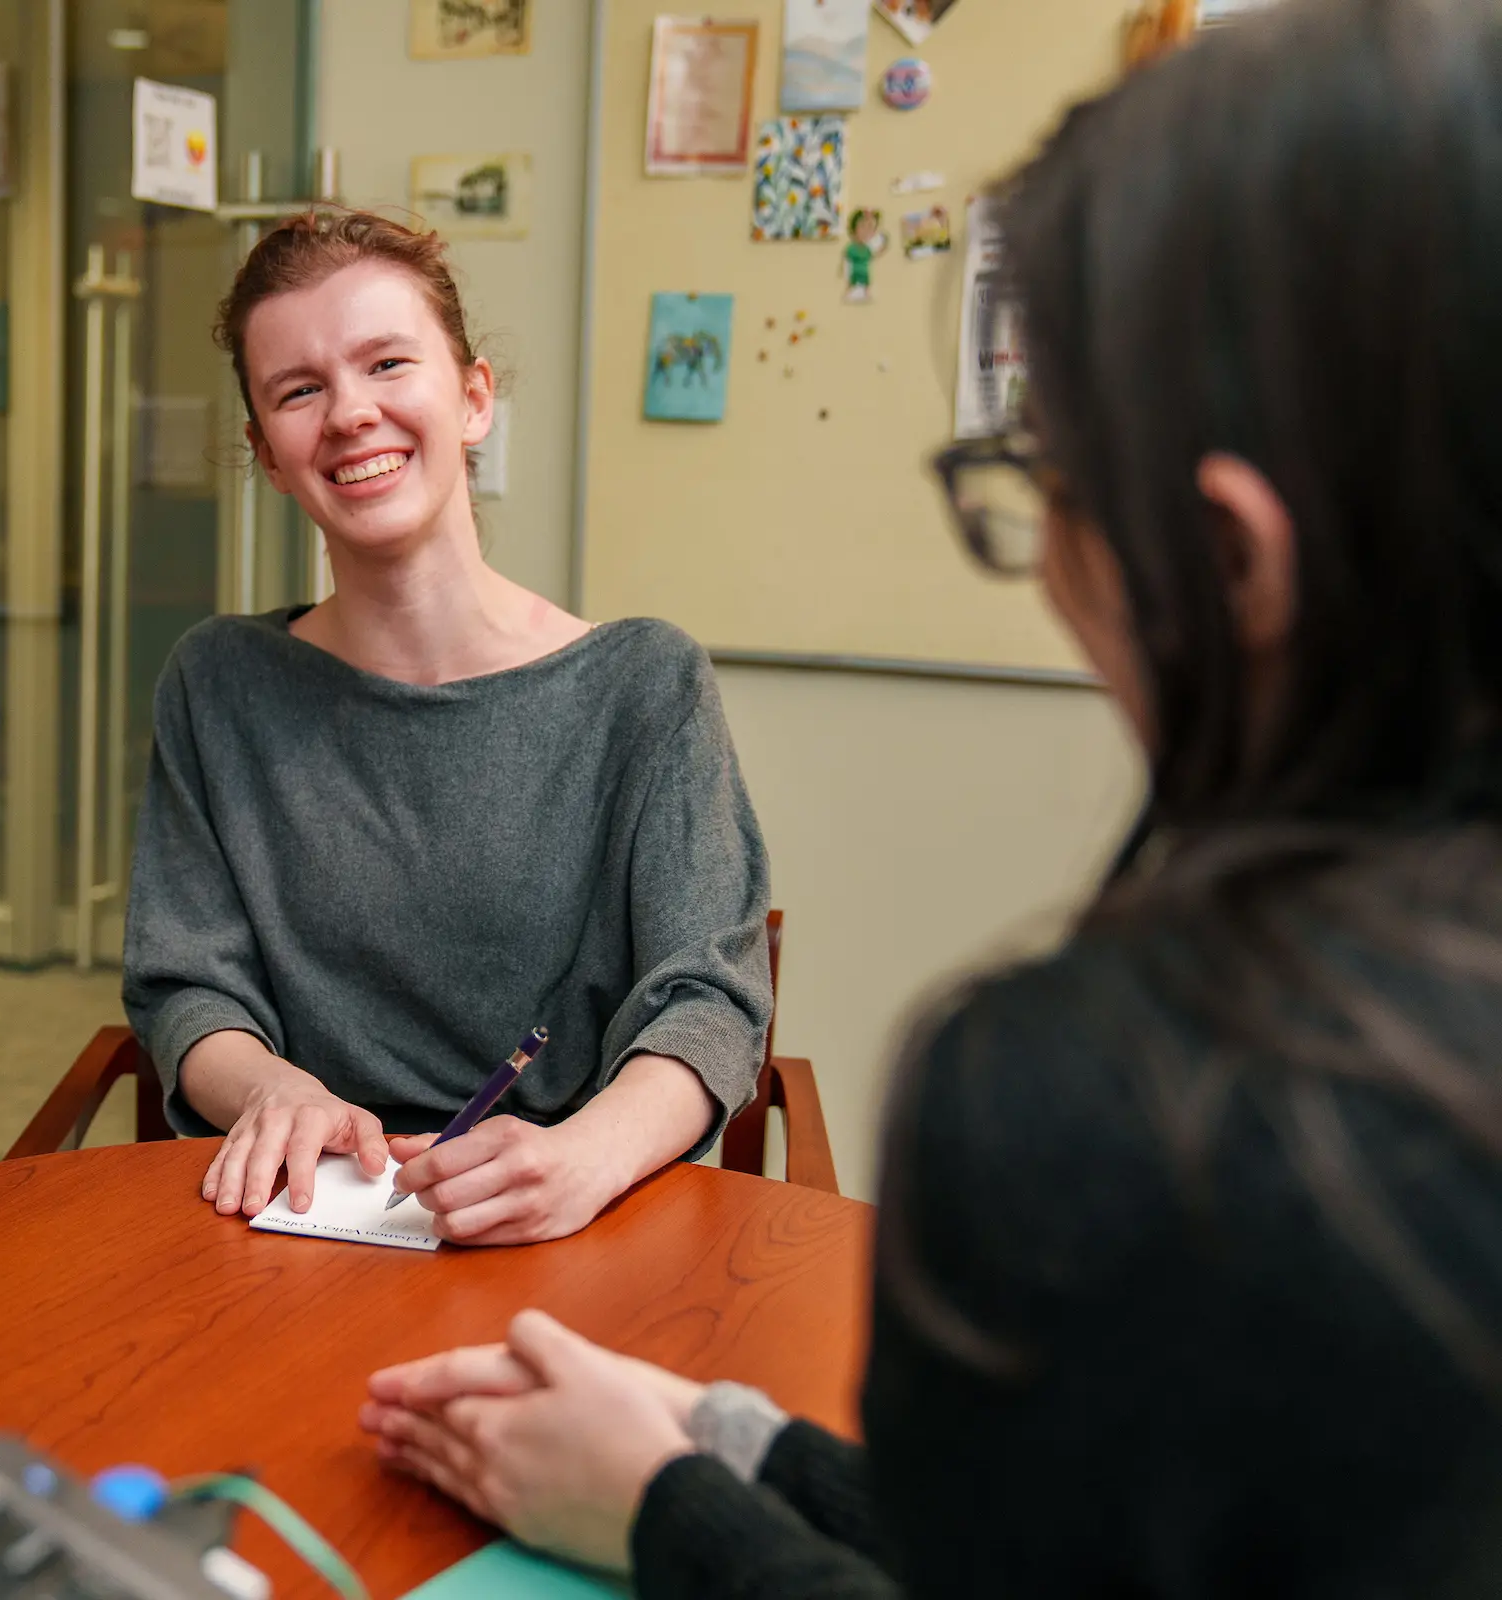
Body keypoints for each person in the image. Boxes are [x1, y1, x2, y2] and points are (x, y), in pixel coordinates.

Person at [359, 0, 1502, 1591]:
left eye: (1050, 487)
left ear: (1231, 557)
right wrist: (736, 1449)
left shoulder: (1089, 1106)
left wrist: (662, 1514)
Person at [120, 210, 772, 1246]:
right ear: (268, 454)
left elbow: (709, 999)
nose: (349, 415)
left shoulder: (645, 684)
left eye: (387, 363)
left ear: (473, 399)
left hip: (577, 1230)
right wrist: (271, 1090)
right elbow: (185, 983)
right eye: (299, 390)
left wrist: (583, 1158)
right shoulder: (218, 681)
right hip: (299, 1231)